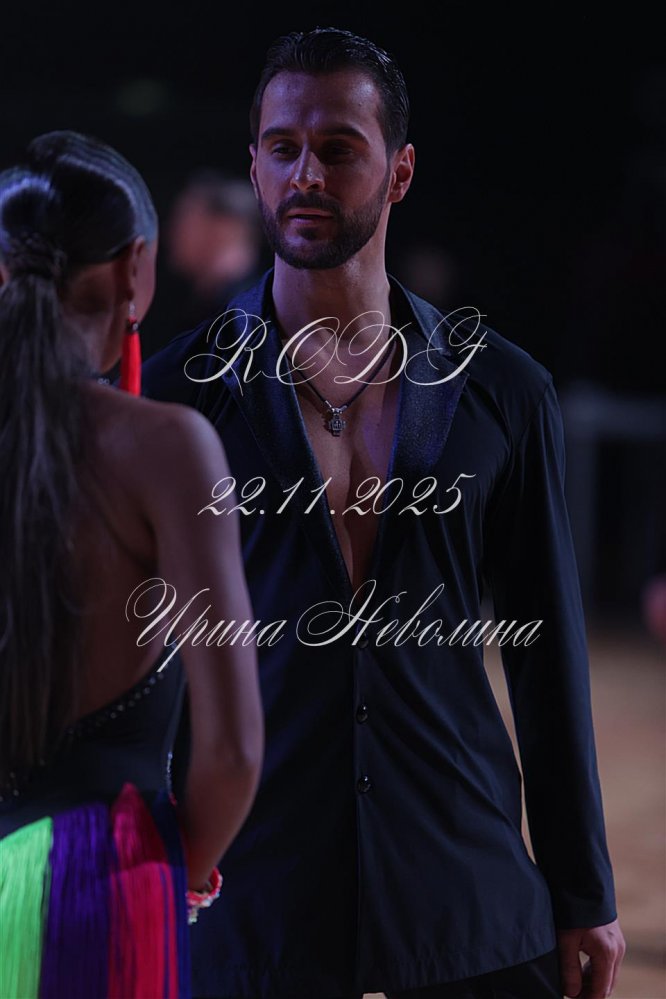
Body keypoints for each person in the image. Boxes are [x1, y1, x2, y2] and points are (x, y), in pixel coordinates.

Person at [141, 29, 626, 999]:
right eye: (283, 148)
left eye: (338, 148)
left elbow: (547, 659)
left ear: (399, 171)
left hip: (464, 893)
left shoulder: (505, 391)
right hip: (247, 898)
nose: (306, 174)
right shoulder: (176, 397)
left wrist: (582, 886)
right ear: (254, 165)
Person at [0, 131, 264, 998]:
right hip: (101, 882)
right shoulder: (167, 447)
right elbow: (232, 750)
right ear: (133, 270)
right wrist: (187, 871)